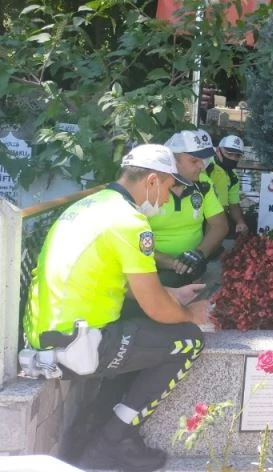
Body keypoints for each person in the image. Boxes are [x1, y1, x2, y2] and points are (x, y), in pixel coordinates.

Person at [21, 144, 210, 472]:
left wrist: (171, 294)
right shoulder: (130, 222)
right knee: (188, 339)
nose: (166, 199)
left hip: (50, 335)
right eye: (167, 188)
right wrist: (190, 314)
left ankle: (98, 426)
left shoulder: (91, 205)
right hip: (77, 344)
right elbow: (156, 309)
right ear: (152, 180)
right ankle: (111, 441)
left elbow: (118, 280)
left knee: (149, 330)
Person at [151, 130, 228, 287]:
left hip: (190, 266)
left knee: (172, 281)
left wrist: (199, 253)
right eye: (194, 161)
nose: (202, 166)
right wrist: (171, 263)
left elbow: (220, 226)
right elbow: (129, 240)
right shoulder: (149, 185)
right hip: (146, 263)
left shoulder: (204, 183)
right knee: (162, 284)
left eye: (204, 160)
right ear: (173, 160)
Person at [206, 134, 249, 236]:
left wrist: (240, 222)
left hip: (218, 220)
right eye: (229, 154)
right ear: (218, 151)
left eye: (237, 155)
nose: (233, 158)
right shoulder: (206, 166)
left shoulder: (233, 177)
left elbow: (233, 204)